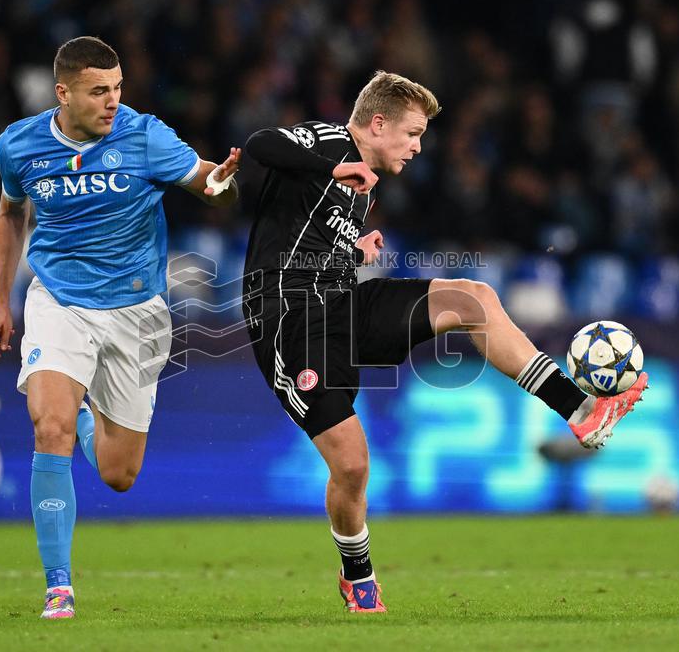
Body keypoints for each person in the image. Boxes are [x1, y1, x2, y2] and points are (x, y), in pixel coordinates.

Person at [241, 71, 648, 612]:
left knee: (472, 298)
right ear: (378, 123)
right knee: (353, 465)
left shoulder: (363, 185)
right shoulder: (331, 142)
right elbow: (259, 145)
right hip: (292, 321)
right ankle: (358, 578)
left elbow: (304, 238)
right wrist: (333, 165)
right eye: (412, 133)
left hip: (340, 304)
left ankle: (580, 411)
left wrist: (353, 251)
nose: (416, 146)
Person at [0, 36, 239, 619]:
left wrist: (222, 183)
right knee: (49, 428)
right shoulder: (18, 145)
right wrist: (1, 301)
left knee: (120, 475)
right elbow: (8, 212)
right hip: (58, 301)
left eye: (118, 88)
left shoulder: (145, 135)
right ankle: (59, 585)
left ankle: (85, 419)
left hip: (138, 312)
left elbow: (209, 184)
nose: (113, 101)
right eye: (100, 91)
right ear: (63, 93)